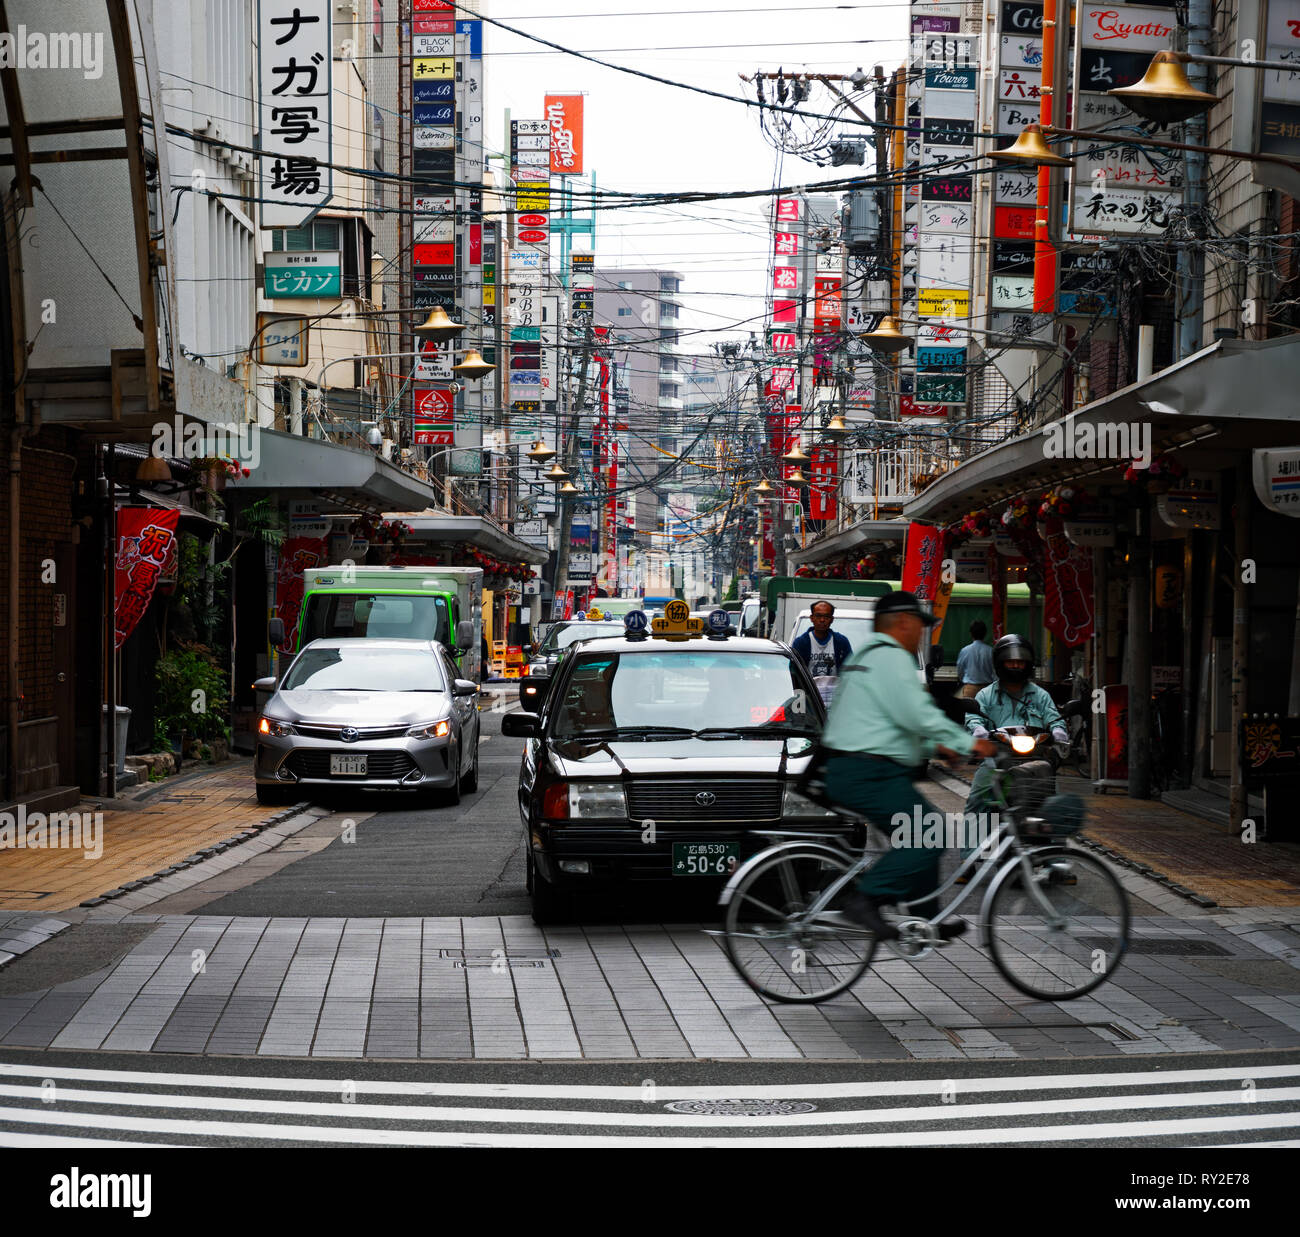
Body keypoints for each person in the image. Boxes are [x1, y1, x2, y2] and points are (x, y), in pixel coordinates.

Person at [819, 590, 996, 940]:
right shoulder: (891, 658)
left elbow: (891, 722)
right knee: (929, 832)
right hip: (868, 773)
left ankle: (924, 919)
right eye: (919, 625)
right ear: (903, 622)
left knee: (921, 829)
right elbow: (918, 713)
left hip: (850, 769)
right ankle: (866, 900)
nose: (921, 633)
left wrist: (936, 746)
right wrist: (969, 742)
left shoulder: (865, 656)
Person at [957, 634, 1068, 878]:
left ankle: (1056, 861)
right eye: (1010, 661)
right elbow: (973, 716)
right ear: (1000, 663)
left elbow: (1054, 717)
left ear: (1028, 664)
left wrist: (1059, 731)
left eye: (1020, 662)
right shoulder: (986, 695)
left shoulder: (1040, 695)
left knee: (1054, 801)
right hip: (996, 760)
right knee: (977, 799)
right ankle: (968, 858)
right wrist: (978, 728)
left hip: (1035, 760)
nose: (1016, 665)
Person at [791, 601, 853, 705]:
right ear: (812, 618)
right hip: (809, 700)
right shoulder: (801, 643)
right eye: (818, 616)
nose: (822, 620)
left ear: (832, 619)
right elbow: (794, 674)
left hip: (836, 700)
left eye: (826, 617)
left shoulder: (841, 642)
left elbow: (850, 672)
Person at [955, 620, 995, 699]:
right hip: (987, 689)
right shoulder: (991, 651)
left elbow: (960, 671)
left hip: (970, 689)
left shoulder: (964, 650)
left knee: (968, 707)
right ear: (985, 634)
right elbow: (995, 672)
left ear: (971, 633)